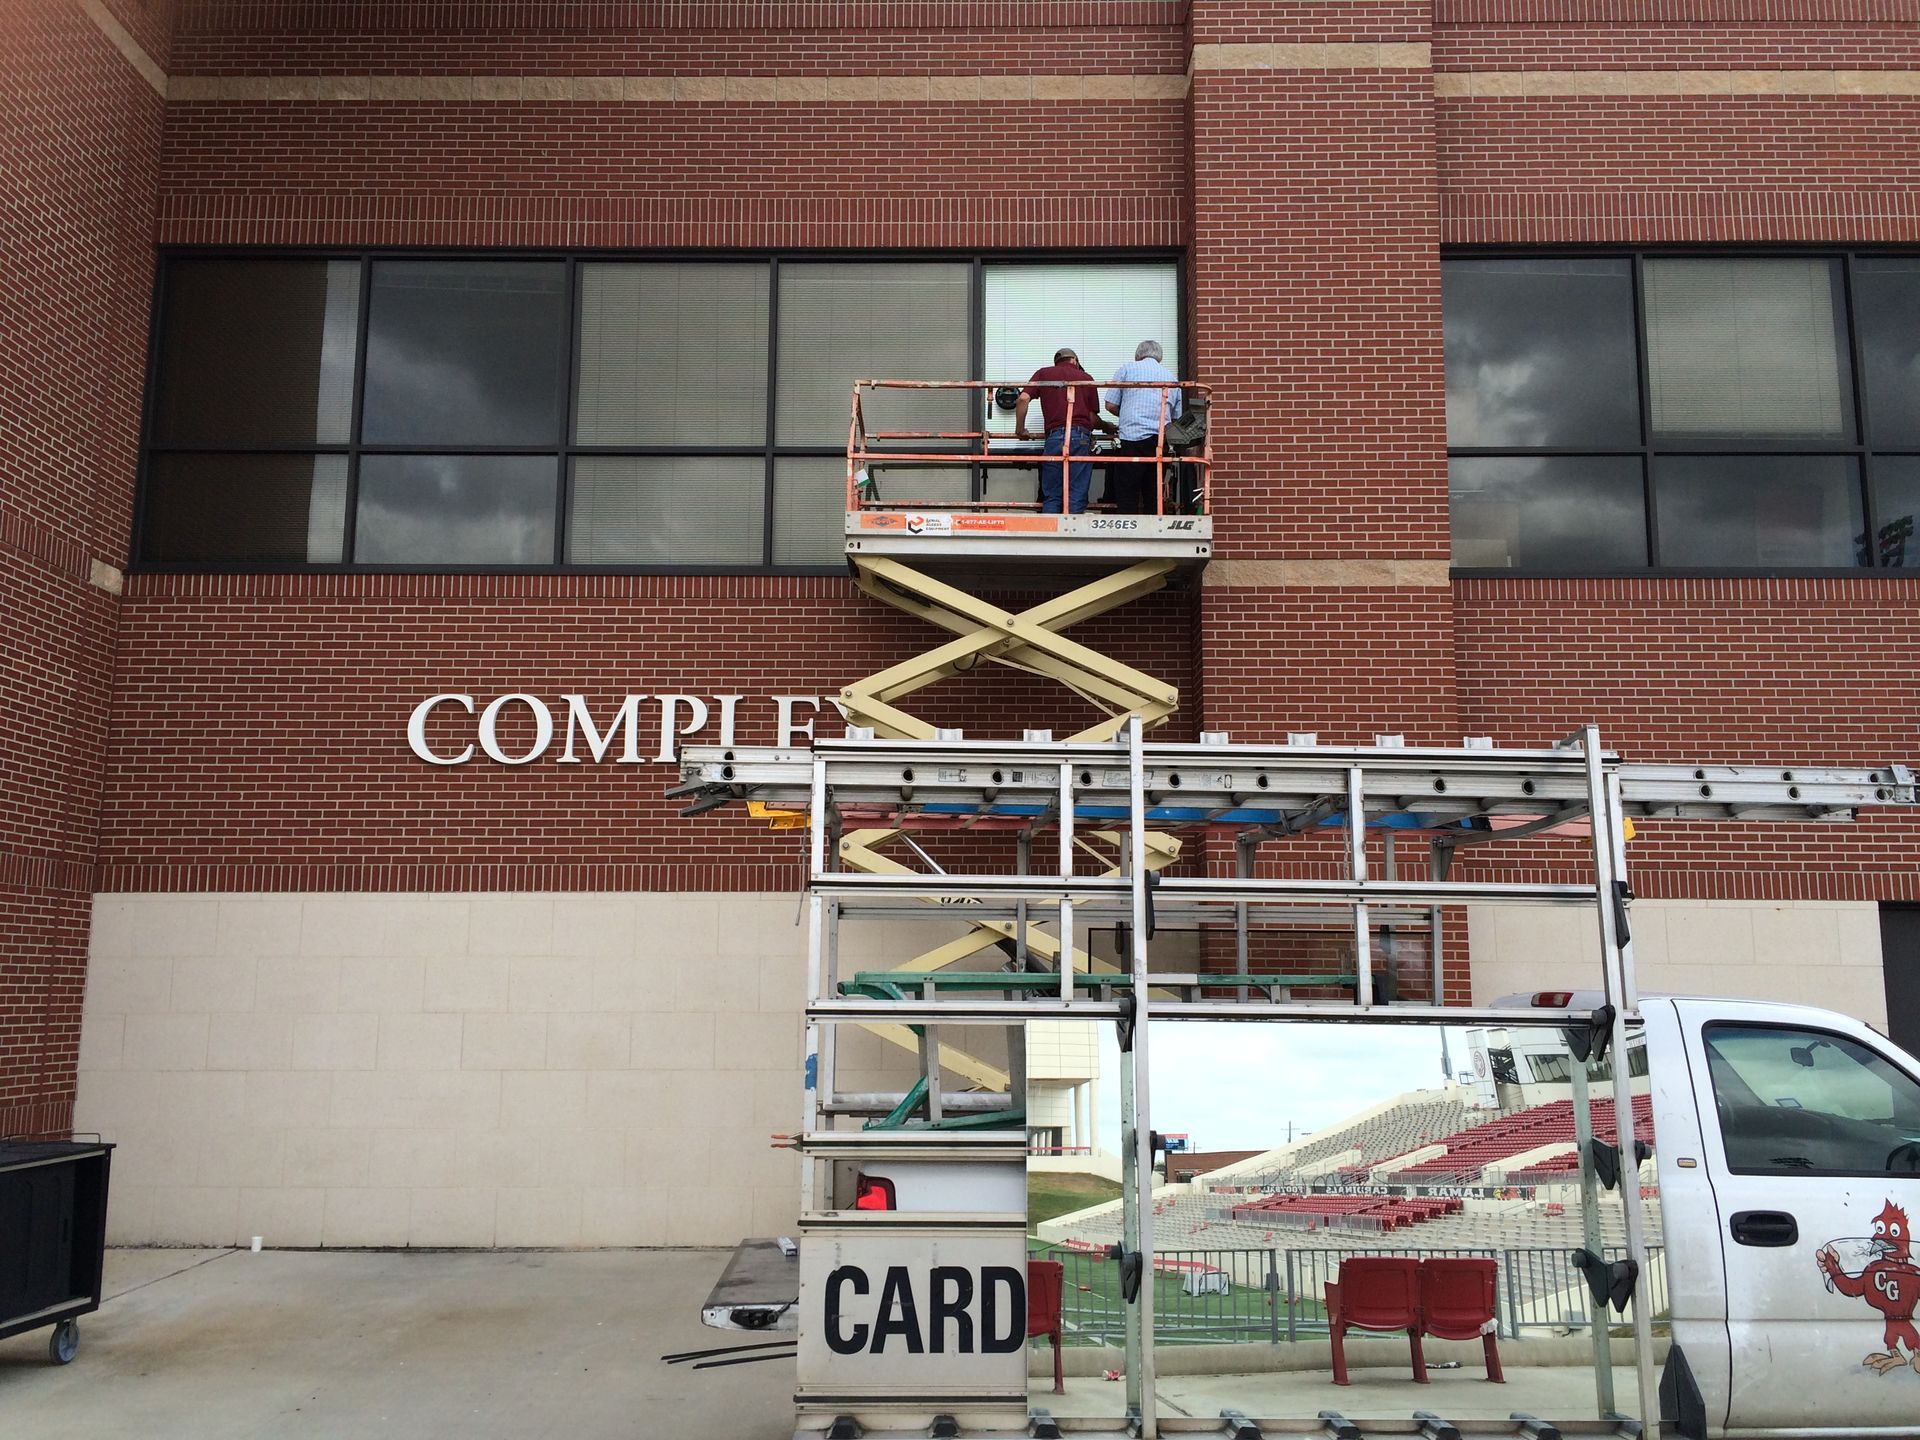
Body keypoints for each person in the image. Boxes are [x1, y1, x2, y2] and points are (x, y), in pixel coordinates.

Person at [1015, 347, 1113, 515]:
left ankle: (1050, 537)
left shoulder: (1043, 374)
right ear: (1074, 360)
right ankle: (1073, 536)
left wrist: (1020, 429)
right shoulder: (1086, 378)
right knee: (1076, 493)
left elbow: (1023, 399)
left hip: (1054, 438)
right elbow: (1091, 418)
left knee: (1052, 494)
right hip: (1080, 438)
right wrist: (1106, 426)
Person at [1102, 340, 1183, 514]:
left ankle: (1127, 525)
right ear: (1159, 357)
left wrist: (1125, 414)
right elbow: (1176, 416)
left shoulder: (1127, 369)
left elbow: (1110, 405)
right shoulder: (1171, 378)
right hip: (1159, 439)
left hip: (1132, 436)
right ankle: (1154, 525)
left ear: (1138, 355)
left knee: (1127, 489)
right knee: (1153, 489)